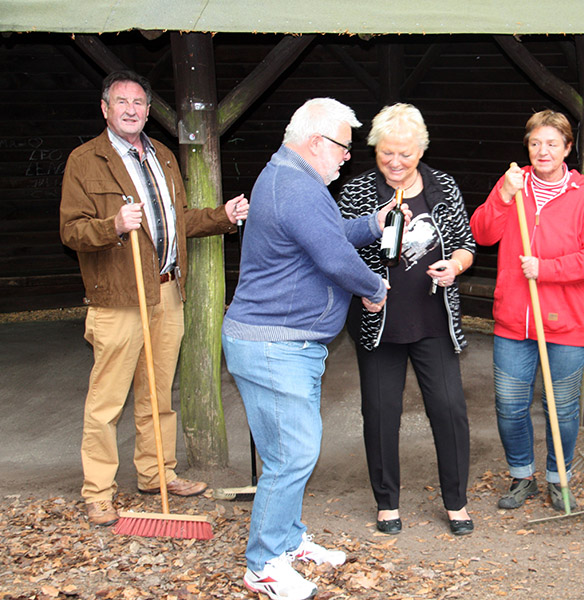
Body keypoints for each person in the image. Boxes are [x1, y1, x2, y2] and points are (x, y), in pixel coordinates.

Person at [222, 98, 398, 600]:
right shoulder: (296, 184)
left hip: (279, 342)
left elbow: (320, 234)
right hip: (275, 345)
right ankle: (264, 565)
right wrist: (374, 288)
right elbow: (331, 255)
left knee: (287, 450)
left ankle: (288, 538)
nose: (347, 157)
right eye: (344, 146)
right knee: (292, 455)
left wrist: (369, 225)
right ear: (318, 141)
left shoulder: (290, 177)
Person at [59, 70, 249, 528]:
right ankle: (98, 492)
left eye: (139, 103)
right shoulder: (86, 160)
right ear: (105, 108)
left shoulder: (162, 156)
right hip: (119, 300)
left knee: (158, 394)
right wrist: (113, 226)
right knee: (106, 402)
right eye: (121, 101)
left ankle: (156, 473)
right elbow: (71, 231)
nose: (131, 109)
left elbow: (176, 220)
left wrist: (220, 217)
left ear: (147, 110)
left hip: (167, 290)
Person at [337, 103, 476, 536]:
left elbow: (466, 244)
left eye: (406, 155)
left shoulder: (442, 185)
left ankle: (456, 502)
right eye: (386, 154)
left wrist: (454, 266)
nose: (395, 163)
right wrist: (364, 289)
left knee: (449, 410)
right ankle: (387, 503)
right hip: (379, 322)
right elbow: (336, 252)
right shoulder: (357, 191)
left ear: (421, 151)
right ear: (375, 149)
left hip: (434, 317)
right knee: (380, 412)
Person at [470, 110, 584, 512]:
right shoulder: (513, 185)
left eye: (552, 143)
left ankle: (558, 479)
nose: (542, 151)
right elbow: (481, 233)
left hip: (567, 322)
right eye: (535, 143)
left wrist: (546, 270)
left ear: (568, 148)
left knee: (562, 408)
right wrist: (502, 196)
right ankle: (522, 477)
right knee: (510, 405)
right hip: (515, 319)